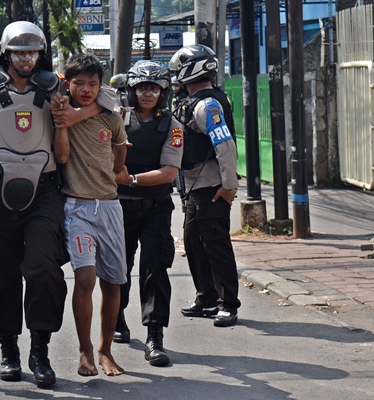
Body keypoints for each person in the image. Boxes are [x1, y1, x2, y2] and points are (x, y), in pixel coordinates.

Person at [0, 21, 80, 388]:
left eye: (32, 52)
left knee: (44, 268)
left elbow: (77, 126)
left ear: (40, 54)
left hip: (44, 192)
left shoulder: (55, 88)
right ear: (7, 54)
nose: (26, 59)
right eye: (19, 52)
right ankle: (9, 348)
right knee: (0, 274)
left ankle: (40, 349)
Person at [52, 53, 128, 377]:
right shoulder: (60, 107)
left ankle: (105, 350)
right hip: (77, 208)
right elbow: (62, 155)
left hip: (110, 206)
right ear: (68, 83)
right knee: (85, 279)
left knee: (113, 283)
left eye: (92, 83)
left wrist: (115, 167)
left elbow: (120, 153)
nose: (86, 89)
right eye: (79, 83)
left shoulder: (109, 114)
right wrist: (63, 121)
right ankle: (84, 350)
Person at [112, 60, 183, 367]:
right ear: (131, 90)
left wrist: (133, 179)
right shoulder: (116, 118)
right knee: (118, 268)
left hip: (155, 206)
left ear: (162, 92)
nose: (147, 94)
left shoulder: (173, 125)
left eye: (154, 88)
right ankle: (116, 320)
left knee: (155, 269)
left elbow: (169, 173)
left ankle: (155, 337)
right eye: (142, 88)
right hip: (118, 206)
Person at [169, 44, 241, 327]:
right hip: (194, 188)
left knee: (216, 245)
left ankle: (228, 304)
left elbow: (224, 144)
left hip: (212, 187)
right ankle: (207, 299)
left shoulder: (207, 105)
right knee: (193, 242)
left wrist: (229, 185)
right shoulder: (191, 101)